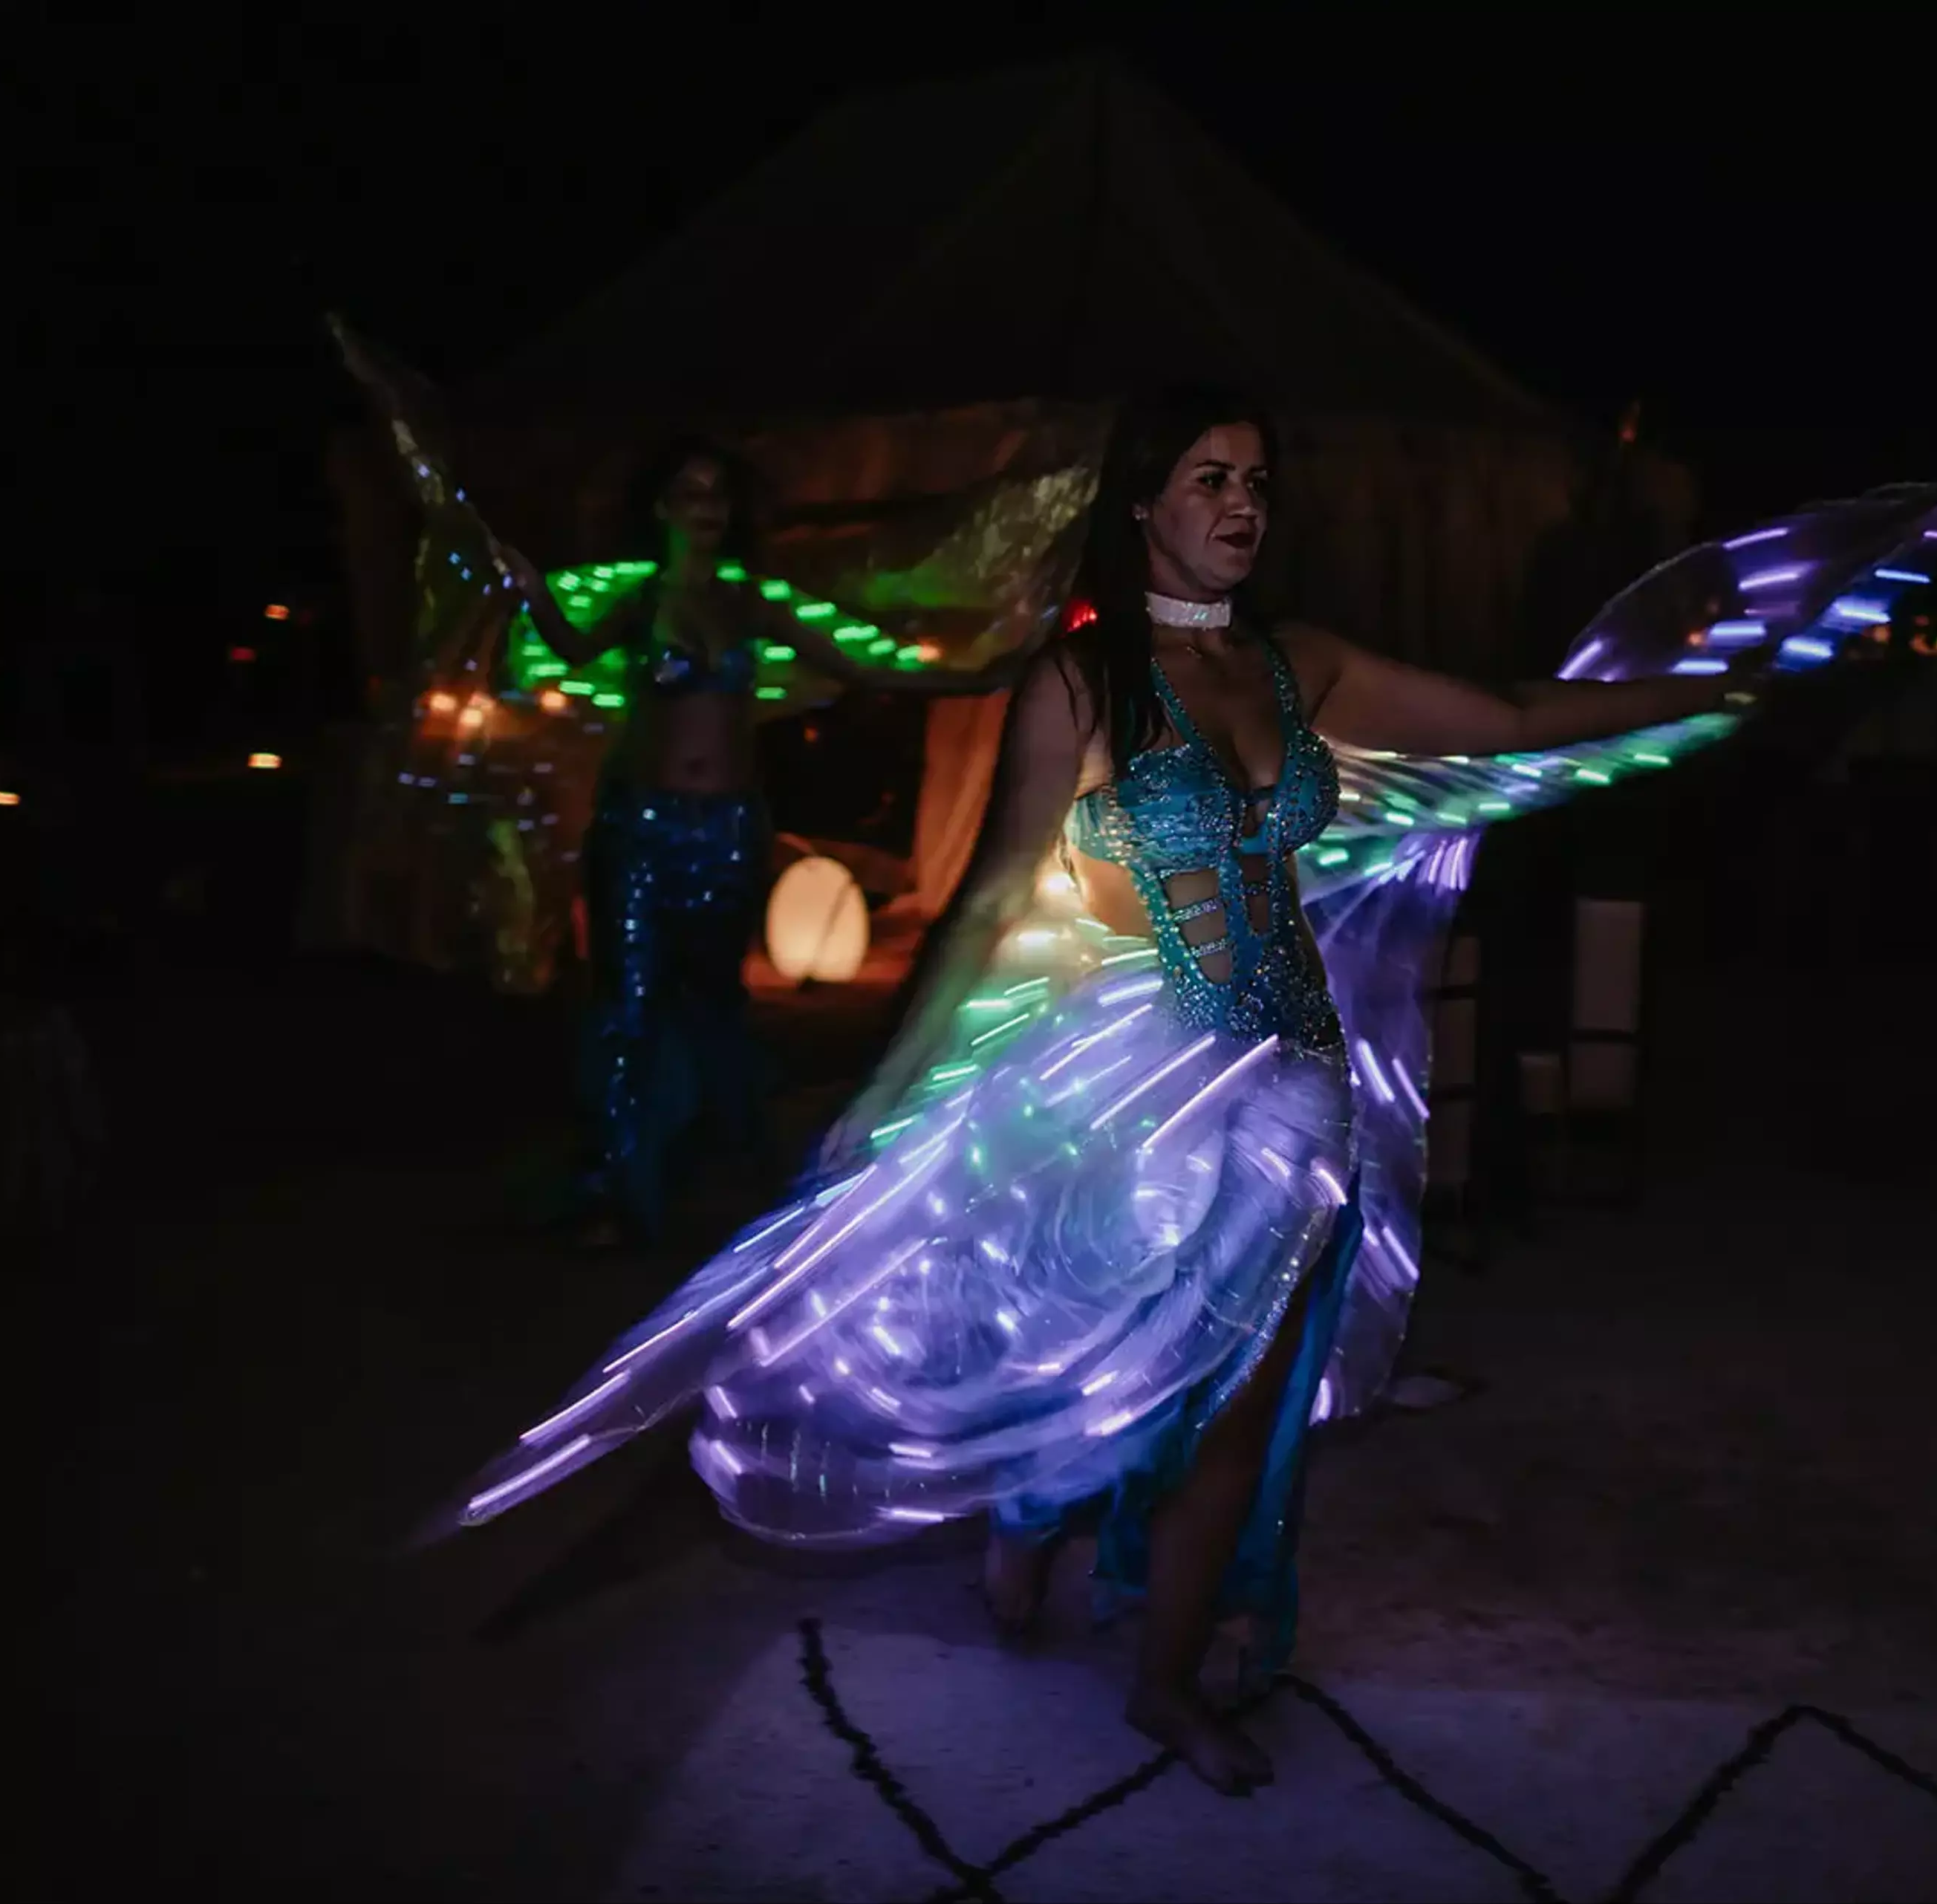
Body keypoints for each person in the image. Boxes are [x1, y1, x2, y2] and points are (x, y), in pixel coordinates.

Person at [452, 387, 1763, 1795]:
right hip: (1125, 1082)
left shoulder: (1299, 664)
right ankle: (1030, 1506)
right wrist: (885, 1086)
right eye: (1208, 478)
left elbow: (1506, 712)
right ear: (1144, 505)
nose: (1241, 504)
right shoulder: (1078, 683)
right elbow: (985, 902)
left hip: (1294, 1096)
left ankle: (1165, 1680)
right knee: (1089, 1350)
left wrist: (1724, 683)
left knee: (1239, 1409)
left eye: (1257, 479)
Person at [495, 437, 1023, 1250]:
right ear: (659, 510)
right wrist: (529, 587)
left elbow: (866, 668)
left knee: (712, 1001)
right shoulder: (639, 601)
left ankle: (712, 1156)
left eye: (716, 496)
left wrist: (983, 676)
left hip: (730, 829)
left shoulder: (752, 600)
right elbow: (571, 648)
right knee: (630, 1001)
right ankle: (619, 1183)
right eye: (687, 494)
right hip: (640, 825)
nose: (704, 510)